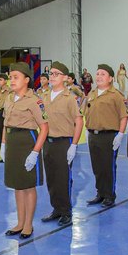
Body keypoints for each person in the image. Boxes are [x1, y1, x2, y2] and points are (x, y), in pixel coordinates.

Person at [1, 62, 49, 238]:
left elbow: (44, 127)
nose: (11, 80)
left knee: (28, 186)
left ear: (26, 80)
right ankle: (20, 222)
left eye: (16, 77)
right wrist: (4, 144)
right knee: (17, 185)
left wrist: (35, 152)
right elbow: (5, 124)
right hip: (12, 142)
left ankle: (28, 224)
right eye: (10, 77)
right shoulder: (8, 98)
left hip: (27, 142)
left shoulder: (34, 101)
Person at [38, 61, 83, 226]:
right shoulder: (43, 96)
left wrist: (74, 144)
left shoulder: (70, 98)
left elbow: (79, 121)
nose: (52, 76)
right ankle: (56, 208)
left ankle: (66, 211)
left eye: (56, 74)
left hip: (64, 142)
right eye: (51, 73)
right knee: (51, 178)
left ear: (65, 78)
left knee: (63, 178)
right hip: (47, 142)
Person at [83, 64, 128, 207]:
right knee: (97, 167)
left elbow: (123, 116)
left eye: (103, 74)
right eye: (97, 74)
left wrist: (120, 134)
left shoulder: (116, 95)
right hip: (93, 135)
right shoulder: (92, 94)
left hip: (108, 136)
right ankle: (100, 193)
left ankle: (109, 195)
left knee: (108, 167)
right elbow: (85, 112)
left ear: (110, 78)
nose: (99, 77)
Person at [0, 73, 10, 162]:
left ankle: (9, 154)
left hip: (7, 112)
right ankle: (2, 155)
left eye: (1, 80)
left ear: (6, 81)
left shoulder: (10, 91)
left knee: (7, 134)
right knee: (0, 133)